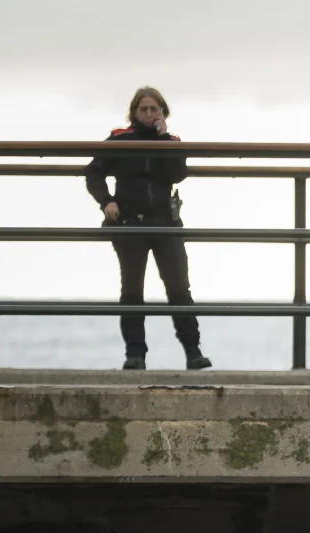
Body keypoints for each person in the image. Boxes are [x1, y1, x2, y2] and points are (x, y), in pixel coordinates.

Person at [84, 86, 211, 370]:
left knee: (179, 288)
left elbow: (178, 174)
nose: (149, 113)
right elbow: (93, 172)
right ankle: (135, 354)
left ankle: (193, 352)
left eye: (155, 109)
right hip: (130, 221)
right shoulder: (119, 139)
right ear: (134, 113)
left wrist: (163, 138)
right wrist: (106, 201)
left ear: (163, 113)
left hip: (166, 221)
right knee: (132, 291)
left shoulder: (171, 141)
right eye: (144, 109)